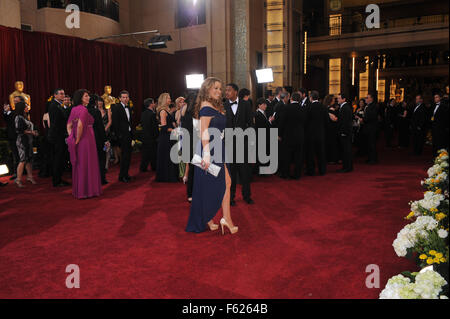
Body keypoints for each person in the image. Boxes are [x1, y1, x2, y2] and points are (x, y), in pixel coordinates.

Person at [186, 77, 237, 235]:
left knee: (216, 184)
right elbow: (203, 132)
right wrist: (207, 155)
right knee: (224, 183)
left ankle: (209, 219)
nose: (219, 91)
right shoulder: (206, 106)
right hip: (210, 150)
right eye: (215, 88)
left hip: (218, 148)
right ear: (207, 89)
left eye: (220, 88)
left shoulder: (215, 105)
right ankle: (225, 219)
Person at [67, 90, 102, 199]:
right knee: (88, 164)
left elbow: (68, 126)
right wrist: (77, 139)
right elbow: (80, 126)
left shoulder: (73, 109)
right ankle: (88, 191)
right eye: (86, 96)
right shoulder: (84, 110)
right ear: (81, 98)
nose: (88, 97)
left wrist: (72, 138)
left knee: (81, 164)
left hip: (80, 140)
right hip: (87, 140)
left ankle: (80, 191)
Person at [224, 83, 254, 206]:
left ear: (236, 92)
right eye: (225, 90)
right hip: (228, 144)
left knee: (245, 172)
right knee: (231, 173)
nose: (226, 92)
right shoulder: (223, 105)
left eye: (229, 90)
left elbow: (250, 124)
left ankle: (247, 196)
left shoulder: (246, 104)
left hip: (243, 144)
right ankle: (231, 198)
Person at [279, 92, 307, 179]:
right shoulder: (303, 109)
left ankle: (285, 174)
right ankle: (297, 175)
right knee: (298, 156)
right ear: (299, 100)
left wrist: (279, 134)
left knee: (287, 156)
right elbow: (305, 123)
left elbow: (282, 123)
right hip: (299, 136)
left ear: (291, 99)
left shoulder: (286, 108)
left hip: (288, 136)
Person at [48, 88, 70, 187]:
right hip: (58, 136)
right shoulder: (54, 105)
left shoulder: (57, 105)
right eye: (61, 94)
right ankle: (57, 181)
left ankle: (58, 179)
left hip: (59, 135)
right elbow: (58, 122)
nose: (63, 96)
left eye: (64, 93)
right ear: (55, 95)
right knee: (58, 158)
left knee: (60, 158)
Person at [13, 102, 38, 188]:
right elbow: (19, 130)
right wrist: (31, 132)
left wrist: (33, 132)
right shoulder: (18, 117)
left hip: (28, 140)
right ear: (22, 108)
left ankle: (30, 177)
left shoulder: (25, 116)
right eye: (26, 107)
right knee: (23, 160)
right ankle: (18, 180)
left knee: (29, 159)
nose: (28, 108)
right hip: (22, 141)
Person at [111, 91, 134, 183]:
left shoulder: (129, 107)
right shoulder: (117, 108)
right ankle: (122, 176)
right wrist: (119, 136)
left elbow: (130, 122)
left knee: (128, 156)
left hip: (128, 134)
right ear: (119, 98)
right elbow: (115, 123)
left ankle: (126, 174)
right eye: (123, 97)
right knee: (124, 156)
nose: (125, 99)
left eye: (127, 97)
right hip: (122, 136)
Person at [155, 93, 178, 183]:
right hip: (165, 137)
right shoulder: (163, 111)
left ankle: (171, 175)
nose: (170, 99)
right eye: (168, 98)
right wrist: (174, 130)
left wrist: (175, 128)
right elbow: (164, 127)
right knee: (167, 157)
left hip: (170, 136)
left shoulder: (168, 110)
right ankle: (166, 176)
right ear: (164, 100)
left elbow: (172, 122)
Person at [305, 91, 329, 176]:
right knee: (321, 153)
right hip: (321, 133)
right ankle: (322, 170)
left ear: (311, 98)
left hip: (310, 134)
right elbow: (327, 121)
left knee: (310, 154)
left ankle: (311, 171)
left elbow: (306, 121)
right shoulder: (323, 107)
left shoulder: (308, 107)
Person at [180, 93, 197, 202]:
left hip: (186, 141)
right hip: (194, 142)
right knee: (196, 170)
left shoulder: (183, 109)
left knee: (191, 169)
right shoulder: (195, 112)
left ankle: (190, 194)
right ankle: (194, 193)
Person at [88, 95, 108, 185]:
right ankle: (101, 179)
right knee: (101, 159)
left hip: (87, 139)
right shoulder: (96, 111)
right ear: (95, 102)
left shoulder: (84, 110)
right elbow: (100, 127)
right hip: (97, 139)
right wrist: (105, 140)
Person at [254, 97, 274, 175]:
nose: (266, 106)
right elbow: (262, 126)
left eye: (266, 104)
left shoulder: (262, 113)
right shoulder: (257, 114)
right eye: (264, 104)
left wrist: (268, 121)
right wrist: (269, 121)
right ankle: (261, 171)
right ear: (259, 105)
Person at [140, 98, 159, 173]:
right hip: (152, 137)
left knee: (145, 153)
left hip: (145, 136)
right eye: (154, 103)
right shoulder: (152, 114)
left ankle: (143, 167)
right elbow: (154, 127)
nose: (154, 104)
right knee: (153, 153)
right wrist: (157, 136)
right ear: (151, 104)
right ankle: (154, 167)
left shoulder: (143, 113)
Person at [337, 93, 353, 173]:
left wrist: (344, 132)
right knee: (346, 150)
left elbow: (346, 122)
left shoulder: (345, 108)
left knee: (346, 150)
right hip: (345, 132)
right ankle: (347, 166)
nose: (337, 100)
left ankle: (347, 167)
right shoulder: (343, 107)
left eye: (339, 98)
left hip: (345, 132)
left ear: (344, 99)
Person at [3, 101, 19, 180]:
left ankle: (20, 171)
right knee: (15, 155)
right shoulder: (8, 114)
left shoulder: (15, 113)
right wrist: (6, 111)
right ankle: (16, 172)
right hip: (12, 137)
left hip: (18, 136)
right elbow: (6, 119)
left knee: (19, 155)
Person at [362, 92, 379, 164]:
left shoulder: (374, 106)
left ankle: (373, 159)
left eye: (367, 97)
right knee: (368, 144)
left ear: (371, 99)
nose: (365, 99)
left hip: (372, 128)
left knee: (372, 144)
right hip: (368, 128)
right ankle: (369, 158)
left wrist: (363, 119)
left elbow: (372, 117)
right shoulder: (367, 106)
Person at [431, 91, 449, 156]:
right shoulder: (433, 106)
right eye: (434, 97)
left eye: (436, 97)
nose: (435, 99)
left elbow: (445, 118)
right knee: (435, 143)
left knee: (440, 143)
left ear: (440, 98)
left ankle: (440, 156)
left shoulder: (444, 106)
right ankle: (435, 156)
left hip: (441, 129)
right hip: (434, 128)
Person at [97, 96, 113, 171]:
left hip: (106, 132)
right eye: (98, 101)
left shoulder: (107, 110)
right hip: (98, 132)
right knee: (99, 149)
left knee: (107, 148)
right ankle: (99, 165)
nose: (100, 103)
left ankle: (106, 165)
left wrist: (105, 129)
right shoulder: (94, 111)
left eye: (101, 101)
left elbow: (110, 121)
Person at [324, 95, 339, 164]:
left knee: (330, 143)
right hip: (331, 128)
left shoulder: (326, 108)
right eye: (333, 100)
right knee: (331, 143)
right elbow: (335, 119)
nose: (334, 101)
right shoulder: (331, 109)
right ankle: (331, 158)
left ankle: (330, 158)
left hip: (329, 128)